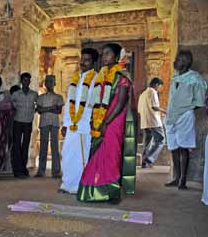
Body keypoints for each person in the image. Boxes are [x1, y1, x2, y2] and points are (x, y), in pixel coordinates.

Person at [77, 43, 136, 204]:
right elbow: (96, 101)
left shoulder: (122, 77)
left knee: (111, 156)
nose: (104, 57)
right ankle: (95, 189)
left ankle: (113, 191)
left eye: (108, 54)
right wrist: (93, 120)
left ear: (117, 57)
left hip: (114, 121)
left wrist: (105, 122)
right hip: (99, 121)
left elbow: (121, 103)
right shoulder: (101, 77)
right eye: (103, 54)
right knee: (97, 156)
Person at [165, 50, 207, 190]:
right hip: (171, 116)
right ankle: (176, 178)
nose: (174, 62)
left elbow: (200, 102)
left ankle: (183, 180)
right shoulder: (175, 76)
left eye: (177, 59)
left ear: (184, 61)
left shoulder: (195, 78)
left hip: (185, 116)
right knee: (173, 148)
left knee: (184, 148)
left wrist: (186, 110)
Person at [60, 48, 99, 193]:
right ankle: (66, 184)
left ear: (93, 62)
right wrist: (65, 123)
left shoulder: (96, 79)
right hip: (71, 124)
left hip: (84, 125)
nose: (83, 62)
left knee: (81, 156)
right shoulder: (75, 79)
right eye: (82, 59)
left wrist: (92, 122)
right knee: (67, 154)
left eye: (87, 60)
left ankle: (78, 187)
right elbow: (69, 102)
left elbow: (95, 103)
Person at [35, 75, 64, 178]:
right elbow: (39, 110)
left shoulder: (59, 97)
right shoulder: (41, 97)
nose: (49, 84)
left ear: (54, 83)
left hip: (55, 123)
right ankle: (41, 171)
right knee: (43, 146)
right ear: (45, 83)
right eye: (47, 82)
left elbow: (58, 111)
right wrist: (52, 107)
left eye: (51, 82)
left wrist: (46, 109)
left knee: (55, 146)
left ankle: (56, 171)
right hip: (43, 123)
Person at [11, 73, 38, 178]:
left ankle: (23, 168)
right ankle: (17, 170)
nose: (26, 82)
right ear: (21, 81)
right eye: (24, 80)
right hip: (17, 122)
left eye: (28, 80)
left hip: (28, 122)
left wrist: (33, 112)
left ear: (30, 81)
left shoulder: (34, 94)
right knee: (17, 145)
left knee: (25, 145)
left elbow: (39, 105)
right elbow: (11, 106)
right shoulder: (16, 94)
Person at [137, 77, 166, 168]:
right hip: (154, 121)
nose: (158, 89)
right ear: (156, 84)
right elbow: (154, 107)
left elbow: (139, 110)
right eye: (159, 86)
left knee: (148, 142)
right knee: (161, 140)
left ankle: (144, 163)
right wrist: (165, 111)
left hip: (145, 121)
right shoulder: (152, 91)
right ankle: (149, 159)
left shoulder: (142, 94)